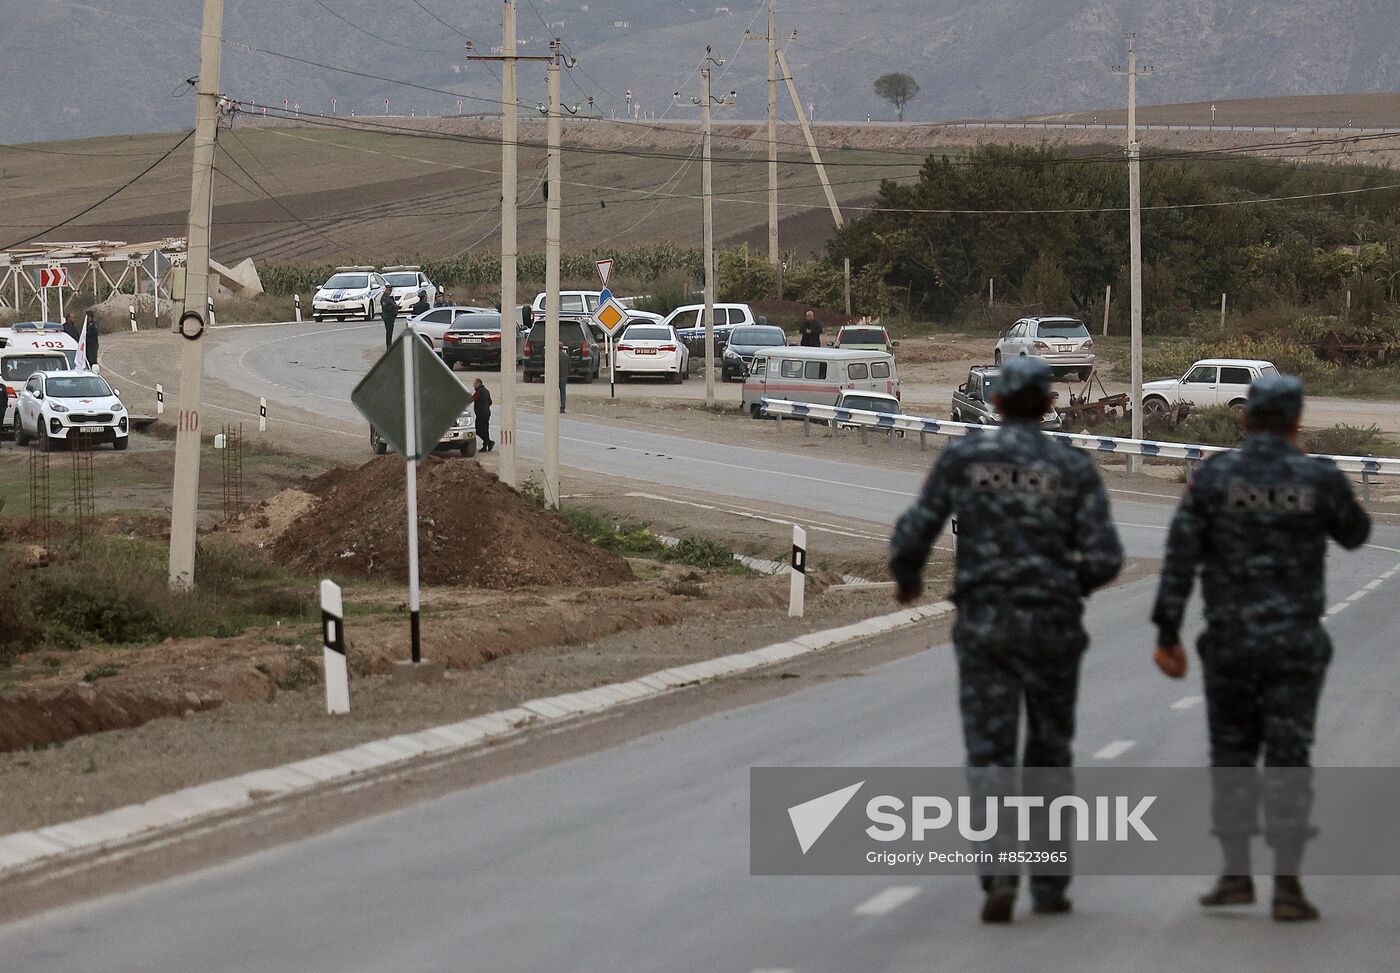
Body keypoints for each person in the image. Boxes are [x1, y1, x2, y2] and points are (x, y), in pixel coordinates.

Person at [888, 356, 1124, 924]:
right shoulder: (1071, 466)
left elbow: (916, 527)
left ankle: (997, 875)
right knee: (1048, 753)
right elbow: (1107, 556)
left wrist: (909, 576)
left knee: (990, 754)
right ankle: (1047, 884)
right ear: (1047, 405)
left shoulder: (965, 458)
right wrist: (1068, 588)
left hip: (986, 626)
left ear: (995, 403)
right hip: (1052, 628)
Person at [1151, 374, 1370, 922]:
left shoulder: (1215, 476)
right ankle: (1290, 886)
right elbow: (1356, 534)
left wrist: (1167, 631)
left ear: (1244, 420)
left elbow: (1181, 557)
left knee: (1232, 755)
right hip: (1296, 642)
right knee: (1289, 756)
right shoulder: (1317, 477)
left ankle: (1235, 874)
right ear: (1297, 421)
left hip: (1230, 642)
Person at [472, 378, 494, 453]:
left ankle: (488, 442)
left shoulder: (479, 392)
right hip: (487, 413)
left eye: (474, 384)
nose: (473, 385)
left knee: (478, 430)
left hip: (481, 414)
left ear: (478, 384)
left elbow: (472, 399)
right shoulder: (486, 391)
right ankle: (486, 445)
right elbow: (490, 402)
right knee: (485, 429)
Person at [558, 341, 570, 414]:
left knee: (554, 392)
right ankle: (562, 407)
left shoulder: (554, 355)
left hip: (556, 377)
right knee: (563, 392)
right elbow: (569, 367)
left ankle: (553, 405)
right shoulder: (566, 356)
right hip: (563, 376)